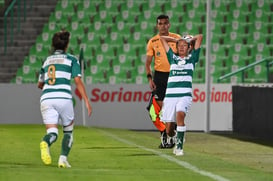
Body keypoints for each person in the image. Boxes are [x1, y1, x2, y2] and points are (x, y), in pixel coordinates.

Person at [37, 30, 92, 168]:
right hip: (63, 97)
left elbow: (39, 84)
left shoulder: (47, 61)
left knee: (52, 132)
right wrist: (86, 100)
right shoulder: (72, 59)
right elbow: (78, 81)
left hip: (47, 98)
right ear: (67, 45)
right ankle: (62, 159)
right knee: (68, 131)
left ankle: (46, 142)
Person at [160, 34, 203, 156]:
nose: (182, 47)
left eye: (185, 45)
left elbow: (200, 37)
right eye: (180, 45)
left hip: (184, 95)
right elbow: (162, 39)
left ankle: (179, 148)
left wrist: (189, 40)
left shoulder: (192, 58)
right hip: (170, 97)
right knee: (168, 130)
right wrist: (177, 40)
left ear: (189, 47)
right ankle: (178, 136)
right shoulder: (172, 58)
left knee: (180, 116)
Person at [145, 14, 181, 149]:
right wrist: (150, 79)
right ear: (157, 25)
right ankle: (165, 133)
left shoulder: (176, 38)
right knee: (155, 110)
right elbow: (148, 63)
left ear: (169, 25)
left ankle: (170, 135)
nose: (163, 26)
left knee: (171, 109)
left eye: (165, 23)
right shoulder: (153, 41)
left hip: (173, 76)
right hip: (159, 77)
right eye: (160, 24)